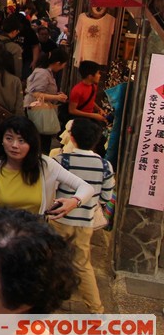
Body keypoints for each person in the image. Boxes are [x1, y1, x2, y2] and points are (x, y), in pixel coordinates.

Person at [0, 116, 95, 217]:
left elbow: (86, 187)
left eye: (21, 140)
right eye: (9, 138)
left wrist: (74, 201)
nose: (14, 145)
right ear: (1, 140)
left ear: (31, 143)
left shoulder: (45, 165)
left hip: (33, 238)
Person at [51, 117, 116, 313]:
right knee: (83, 264)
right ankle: (96, 309)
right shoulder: (105, 166)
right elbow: (106, 196)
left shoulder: (61, 160)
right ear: (97, 140)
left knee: (53, 260)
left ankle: (49, 301)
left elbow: (50, 190)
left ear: (71, 136)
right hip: (86, 222)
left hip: (59, 220)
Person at [25, 48, 69, 153]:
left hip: (41, 112)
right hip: (37, 112)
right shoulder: (43, 73)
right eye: (63, 64)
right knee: (40, 142)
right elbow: (36, 93)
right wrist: (57, 98)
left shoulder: (47, 73)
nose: (63, 67)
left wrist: (56, 95)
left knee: (43, 141)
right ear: (58, 63)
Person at [68, 60, 107, 128]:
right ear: (90, 76)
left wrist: (99, 109)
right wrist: (93, 115)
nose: (99, 75)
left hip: (88, 120)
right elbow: (72, 110)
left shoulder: (93, 87)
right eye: (98, 73)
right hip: (79, 122)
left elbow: (90, 101)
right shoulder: (77, 90)